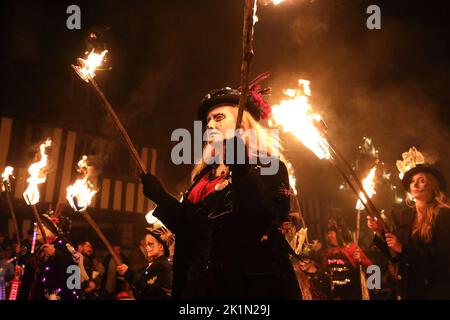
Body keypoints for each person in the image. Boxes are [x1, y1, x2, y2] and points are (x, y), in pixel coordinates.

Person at [140, 79, 300, 299]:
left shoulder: (269, 166)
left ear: (242, 123)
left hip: (248, 289)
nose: (210, 126)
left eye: (219, 118)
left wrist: (242, 170)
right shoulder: (203, 178)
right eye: (208, 121)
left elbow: (264, 219)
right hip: (200, 289)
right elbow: (190, 230)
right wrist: (162, 199)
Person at [368, 164, 450, 299]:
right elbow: (395, 256)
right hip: (408, 289)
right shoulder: (404, 217)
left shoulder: (445, 216)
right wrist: (379, 232)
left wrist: (403, 248)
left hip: (434, 290)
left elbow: (442, 257)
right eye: (412, 181)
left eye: (422, 180)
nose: (415, 184)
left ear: (433, 187)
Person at [28, 212, 80, 300]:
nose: (35, 230)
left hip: (59, 295)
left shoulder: (64, 244)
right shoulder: (41, 247)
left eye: (40, 227)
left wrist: (56, 253)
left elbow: (76, 265)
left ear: (52, 229)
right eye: (35, 227)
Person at [117, 225, 173, 300]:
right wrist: (128, 272)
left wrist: (128, 272)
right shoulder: (156, 263)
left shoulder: (161, 264)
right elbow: (143, 280)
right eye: (146, 245)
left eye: (150, 244)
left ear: (160, 247)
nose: (146, 248)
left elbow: (147, 287)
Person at [322, 220, 372, 300]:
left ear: (339, 234)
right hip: (335, 292)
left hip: (351, 292)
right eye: (328, 233)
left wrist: (359, 260)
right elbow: (324, 269)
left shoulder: (351, 248)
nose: (329, 236)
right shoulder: (329, 252)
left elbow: (370, 264)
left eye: (331, 233)